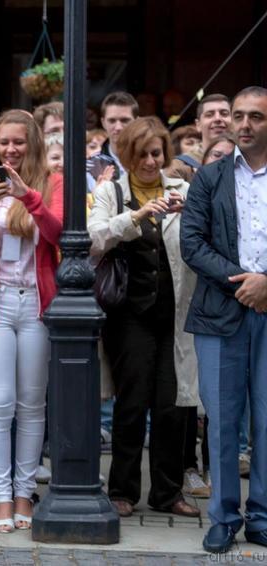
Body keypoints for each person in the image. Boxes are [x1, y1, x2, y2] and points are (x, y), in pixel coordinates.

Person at [88, 116, 200, 520]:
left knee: (173, 405)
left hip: (175, 314)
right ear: (128, 156)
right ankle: (123, 490)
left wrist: (192, 214)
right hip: (129, 315)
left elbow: (206, 238)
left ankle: (168, 493)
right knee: (132, 404)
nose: (152, 162)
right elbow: (93, 238)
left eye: (157, 153)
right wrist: (135, 217)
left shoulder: (184, 189)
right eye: (143, 155)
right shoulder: (112, 192)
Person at [0, 109, 63, 533]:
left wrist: (28, 197)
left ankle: (25, 491)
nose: (11, 149)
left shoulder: (51, 182)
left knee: (31, 404)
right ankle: (1, 495)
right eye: (4, 142)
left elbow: (59, 233)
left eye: (19, 142)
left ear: (33, 144)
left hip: (36, 305)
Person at [181, 86, 267, 554]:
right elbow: (192, 244)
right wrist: (245, 283)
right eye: (239, 115)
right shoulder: (210, 178)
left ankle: (263, 518)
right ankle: (223, 517)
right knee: (222, 423)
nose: (246, 124)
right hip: (219, 314)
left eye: (257, 116)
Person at [165, 94, 232, 182]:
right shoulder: (179, 167)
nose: (217, 118)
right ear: (198, 125)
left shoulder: (249, 160)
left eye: (224, 114)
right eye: (209, 115)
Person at [86, 91, 138, 189]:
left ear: (137, 122)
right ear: (103, 123)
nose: (118, 127)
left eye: (125, 120)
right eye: (112, 121)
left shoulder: (150, 160)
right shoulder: (90, 166)